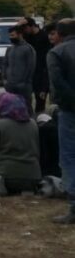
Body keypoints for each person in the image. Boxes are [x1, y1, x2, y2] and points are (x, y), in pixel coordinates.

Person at [47, 18, 75, 223]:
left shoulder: (57, 52)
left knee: (69, 156)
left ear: (60, 33)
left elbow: (58, 83)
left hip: (69, 110)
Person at [2, 23, 35, 110]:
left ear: (20, 34)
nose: (11, 37)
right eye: (9, 35)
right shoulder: (9, 49)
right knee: (11, 108)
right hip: (10, 85)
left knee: (26, 108)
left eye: (13, 35)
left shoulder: (28, 48)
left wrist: (24, 82)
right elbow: (5, 64)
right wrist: (5, 79)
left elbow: (30, 67)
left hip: (23, 86)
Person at [24, 17, 52, 113]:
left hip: (41, 72)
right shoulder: (26, 37)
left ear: (32, 26)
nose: (24, 31)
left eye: (26, 28)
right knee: (25, 102)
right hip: (29, 72)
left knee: (40, 102)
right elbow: (14, 33)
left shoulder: (44, 37)